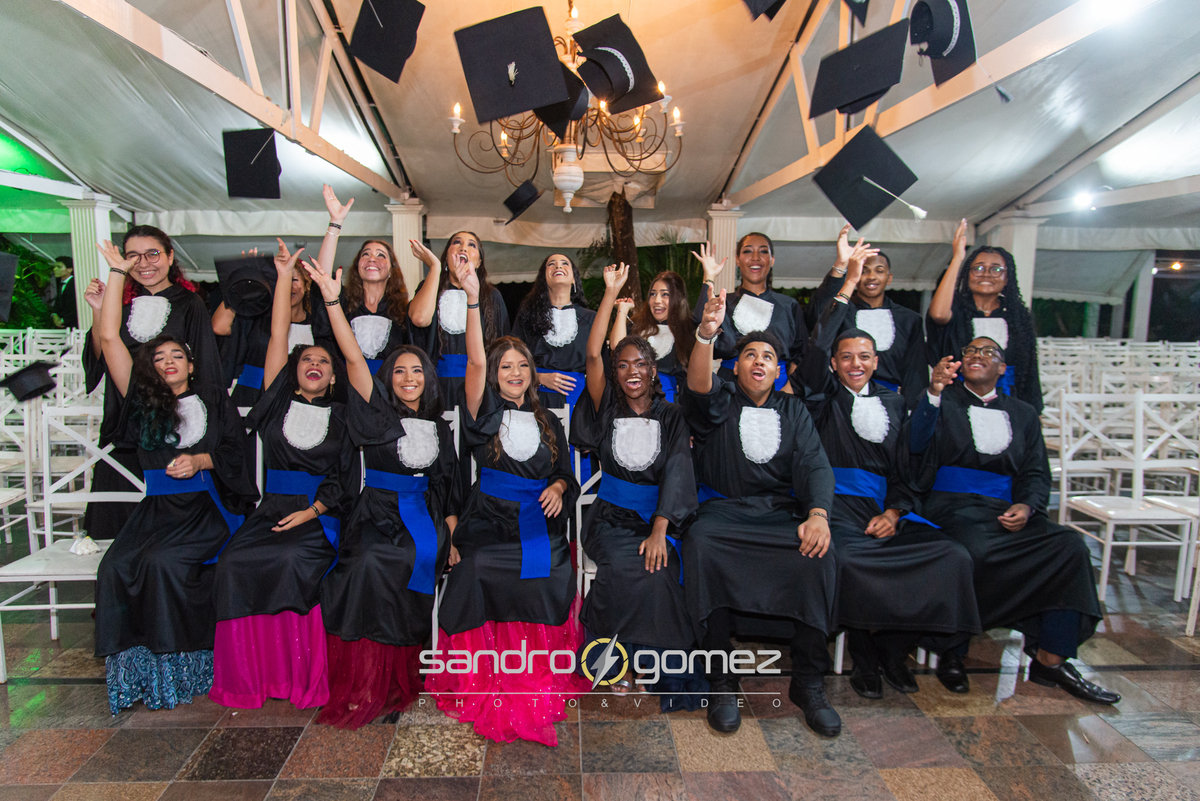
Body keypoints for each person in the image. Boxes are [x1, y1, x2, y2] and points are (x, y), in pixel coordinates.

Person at [794, 247, 980, 700]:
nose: (855, 364)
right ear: (834, 363)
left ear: (877, 362)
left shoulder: (895, 404)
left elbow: (907, 465)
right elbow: (816, 346)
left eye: (864, 356)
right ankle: (865, 655)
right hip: (835, 507)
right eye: (846, 357)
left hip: (882, 509)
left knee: (952, 556)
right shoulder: (820, 399)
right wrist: (847, 283)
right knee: (848, 560)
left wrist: (895, 512)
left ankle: (894, 650)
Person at [89, 241, 257, 715]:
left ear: (191, 362)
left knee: (164, 564)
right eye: (159, 357)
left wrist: (201, 461)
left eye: (177, 356)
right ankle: (135, 677)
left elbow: (234, 454)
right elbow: (109, 340)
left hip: (205, 508)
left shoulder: (214, 401)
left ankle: (182, 672)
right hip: (156, 511)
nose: (168, 362)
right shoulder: (141, 401)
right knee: (115, 567)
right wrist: (117, 274)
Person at [426, 258, 586, 747]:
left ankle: (534, 669)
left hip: (538, 523)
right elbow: (474, 362)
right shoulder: (482, 411)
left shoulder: (550, 421)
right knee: (475, 568)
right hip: (488, 520)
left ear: (532, 372)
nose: (514, 372)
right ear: (494, 376)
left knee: (551, 571)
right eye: (505, 366)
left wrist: (559, 488)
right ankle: (482, 672)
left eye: (522, 365)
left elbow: (564, 473)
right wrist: (474, 300)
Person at [907, 339, 1119, 705]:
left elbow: (1035, 472)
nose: (978, 355)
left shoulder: (1023, 413)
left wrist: (1027, 506)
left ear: (1002, 369)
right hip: (950, 506)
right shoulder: (942, 402)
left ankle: (1051, 658)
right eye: (970, 351)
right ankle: (952, 649)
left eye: (989, 352)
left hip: (1004, 511)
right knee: (972, 552)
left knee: (1069, 547)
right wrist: (934, 392)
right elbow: (914, 444)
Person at [306, 253, 458, 729]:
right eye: (399, 372)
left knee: (408, 561)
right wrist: (332, 301)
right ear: (387, 380)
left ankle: (398, 679)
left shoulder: (440, 427)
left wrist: (452, 536)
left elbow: (450, 484)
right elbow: (353, 356)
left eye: (417, 371)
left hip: (423, 515)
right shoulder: (375, 413)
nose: (409, 379)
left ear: (428, 379)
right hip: (374, 512)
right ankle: (364, 681)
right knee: (369, 563)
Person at [683, 288, 840, 737]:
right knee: (700, 544)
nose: (758, 362)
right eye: (749, 354)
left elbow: (815, 465)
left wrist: (817, 514)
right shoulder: (720, 400)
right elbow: (698, 384)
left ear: (778, 370)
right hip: (723, 515)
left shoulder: (794, 409)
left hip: (777, 514)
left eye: (768, 357)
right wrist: (706, 335)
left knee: (820, 554)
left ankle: (808, 683)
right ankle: (721, 681)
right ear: (736, 366)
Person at [208, 241, 358, 710]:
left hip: (320, 515)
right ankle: (250, 678)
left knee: (293, 560)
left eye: (323, 362)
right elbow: (278, 334)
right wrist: (284, 273)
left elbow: (345, 479)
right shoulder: (275, 404)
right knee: (234, 562)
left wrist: (311, 512)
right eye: (306, 360)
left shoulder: (342, 417)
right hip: (269, 510)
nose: (314, 364)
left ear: (333, 377)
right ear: (295, 371)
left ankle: (297, 676)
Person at [571, 263, 697, 692]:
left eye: (640, 363)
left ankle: (649, 660)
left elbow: (679, 469)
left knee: (661, 571)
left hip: (658, 518)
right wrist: (610, 294)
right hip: (609, 518)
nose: (632, 371)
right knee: (625, 568)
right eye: (623, 365)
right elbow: (592, 356)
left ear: (653, 370)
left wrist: (661, 528)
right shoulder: (606, 407)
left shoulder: (672, 415)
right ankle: (614, 661)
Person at [82, 226, 224, 543]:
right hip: (125, 413)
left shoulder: (190, 304)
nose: (144, 262)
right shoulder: (123, 305)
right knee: (116, 523)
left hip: (173, 419)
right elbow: (103, 354)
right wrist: (99, 310)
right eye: (134, 256)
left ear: (170, 257)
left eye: (153, 254)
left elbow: (204, 366)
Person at [314, 186, 439, 373]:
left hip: (391, 387)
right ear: (357, 266)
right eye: (366, 254)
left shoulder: (403, 312)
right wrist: (335, 222)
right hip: (348, 385)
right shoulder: (344, 304)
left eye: (381, 255)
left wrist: (435, 267)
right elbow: (321, 277)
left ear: (391, 270)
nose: (372, 259)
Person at [926, 220, 1042, 411]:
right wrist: (957, 258)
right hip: (958, 402)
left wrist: (1034, 412)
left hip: (1008, 400)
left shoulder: (1018, 316)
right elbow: (938, 315)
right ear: (968, 275)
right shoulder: (956, 311)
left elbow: (1029, 368)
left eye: (996, 269)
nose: (986, 274)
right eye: (978, 268)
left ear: (1007, 278)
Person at [809, 225, 928, 409]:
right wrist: (841, 263)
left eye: (879, 271)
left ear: (889, 278)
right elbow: (817, 317)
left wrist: (911, 410)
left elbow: (915, 372)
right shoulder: (840, 312)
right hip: (841, 400)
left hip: (890, 402)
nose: (871, 276)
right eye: (864, 270)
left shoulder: (909, 319)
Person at [213, 247, 327, 408]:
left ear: (306, 284)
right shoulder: (257, 316)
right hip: (249, 399)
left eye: (293, 280)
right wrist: (244, 283)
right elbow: (219, 326)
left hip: (296, 404)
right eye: (282, 280)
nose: (287, 286)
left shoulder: (317, 326)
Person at [691, 235, 806, 390]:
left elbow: (800, 353)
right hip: (730, 389)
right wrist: (709, 277)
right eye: (747, 251)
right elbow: (700, 327)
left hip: (779, 389)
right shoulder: (724, 303)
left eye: (763, 251)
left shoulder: (788, 305)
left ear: (772, 260)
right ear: (737, 260)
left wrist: (790, 391)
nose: (755, 257)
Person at [416, 230, 510, 399]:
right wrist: (434, 268)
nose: (463, 248)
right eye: (457, 242)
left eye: (471, 245)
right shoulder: (429, 289)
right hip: (434, 386)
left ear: (479, 262)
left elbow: (503, 347)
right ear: (446, 257)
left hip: (481, 386)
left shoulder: (492, 296)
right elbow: (418, 319)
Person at [513, 252, 596, 410]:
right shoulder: (527, 316)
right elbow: (513, 359)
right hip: (537, 399)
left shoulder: (591, 318)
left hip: (579, 403)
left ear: (574, 279)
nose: (558, 266)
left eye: (565, 263)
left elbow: (600, 366)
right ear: (543, 279)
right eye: (551, 264)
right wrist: (539, 377)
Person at [610, 270, 695, 402]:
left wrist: (709, 277)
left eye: (665, 294)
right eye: (653, 294)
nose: (657, 300)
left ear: (680, 299)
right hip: (632, 402)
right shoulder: (636, 326)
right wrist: (623, 310)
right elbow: (617, 347)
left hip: (668, 404)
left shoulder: (687, 331)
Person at [51, 256, 77, 329]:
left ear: (69, 269)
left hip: (73, 326)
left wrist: (63, 320)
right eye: (54, 267)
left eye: (59, 267)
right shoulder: (61, 284)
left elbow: (75, 307)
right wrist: (54, 315)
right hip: (63, 326)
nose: (55, 269)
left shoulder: (75, 284)